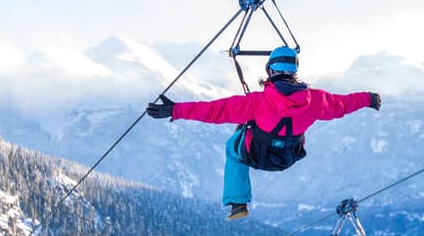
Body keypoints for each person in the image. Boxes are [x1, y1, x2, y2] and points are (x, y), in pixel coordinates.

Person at [147, 46, 381, 220]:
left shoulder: (258, 102)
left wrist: (175, 110)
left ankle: (238, 203)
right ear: (295, 71)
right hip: (287, 157)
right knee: (250, 137)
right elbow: (342, 104)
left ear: (270, 70)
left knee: (232, 147)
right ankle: (238, 201)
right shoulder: (316, 101)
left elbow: (214, 111)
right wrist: (368, 99)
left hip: (256, 155)